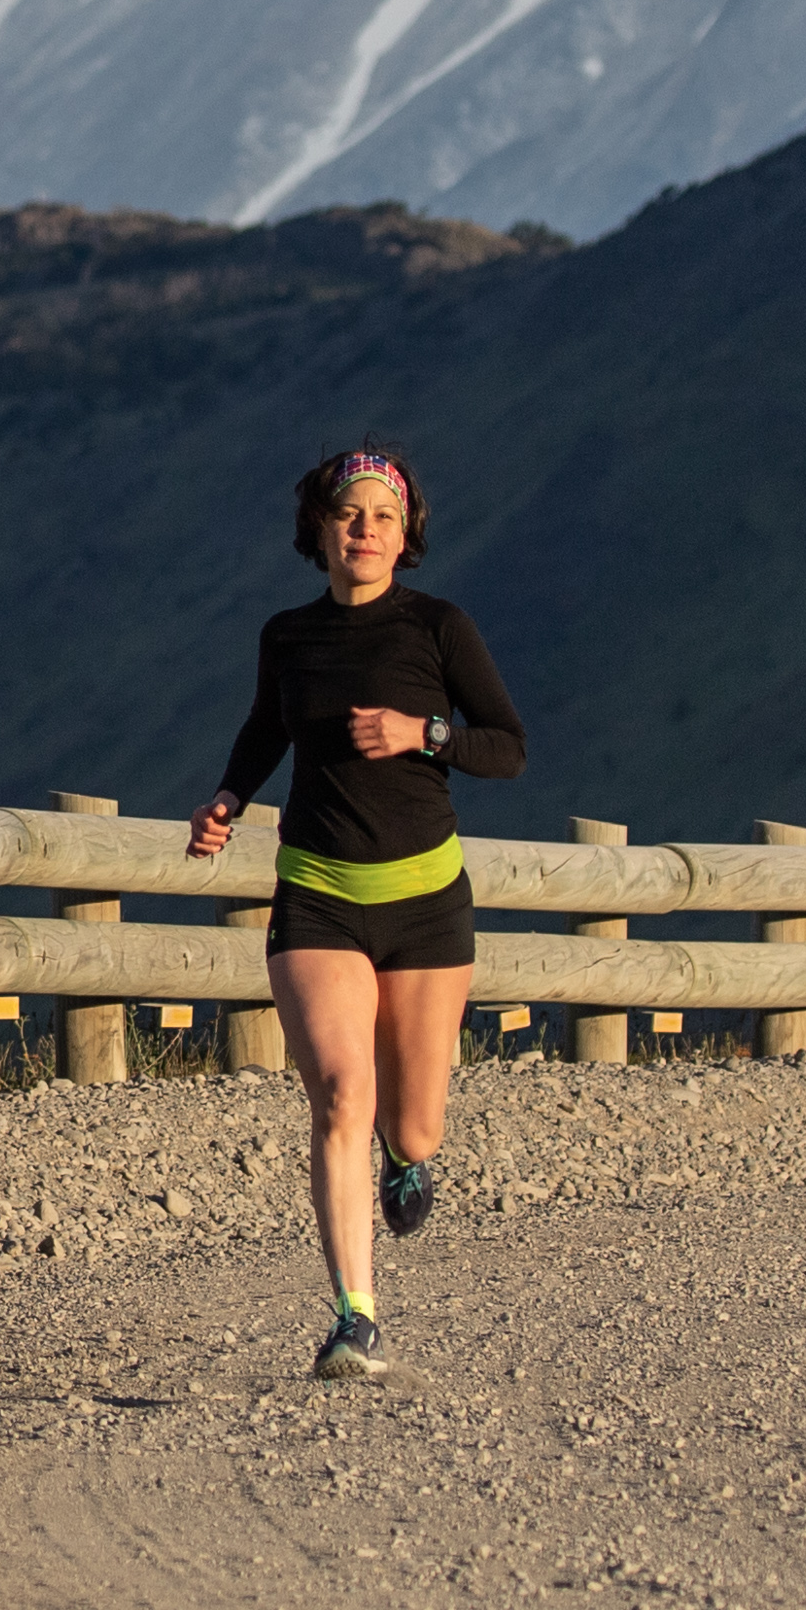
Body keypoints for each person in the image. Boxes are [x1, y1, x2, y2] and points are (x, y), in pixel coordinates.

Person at [188, 447, 526, 1380]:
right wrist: (228, 798)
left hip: (424, 906)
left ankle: (408, 1160)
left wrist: (425, 735)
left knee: (412, 1125)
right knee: (340, 1093)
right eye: (348, 514)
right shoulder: (287, 636)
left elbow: (510, 748)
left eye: (383, 514)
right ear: (320, 531)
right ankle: (354, 1316)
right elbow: (266, 727)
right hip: (319, 897)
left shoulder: (440, 628)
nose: (364, 529)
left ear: (406, 533)